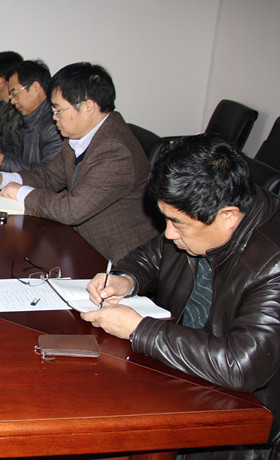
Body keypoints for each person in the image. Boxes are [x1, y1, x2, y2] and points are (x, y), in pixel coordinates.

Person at [82, 134, 280, 458]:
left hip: (237, 411)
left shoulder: (273, 262)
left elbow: (241, 364)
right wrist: (124, 279)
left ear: (229, 216)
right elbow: (153, 255)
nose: (169, 233)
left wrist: (139, 329)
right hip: (175, 366)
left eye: (178, 224)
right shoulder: (203, 210)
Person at [0, 62, 158, 262]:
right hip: (79, 243)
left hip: (114, 259)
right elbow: (50, 176)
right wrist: (4, 179)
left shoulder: (114, 149)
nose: (54, 117)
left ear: (88, 107)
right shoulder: (81, 136)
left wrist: (21, 192)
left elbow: (72, 210)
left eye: (59, 110)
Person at [0, 60, 62, 172]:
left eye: (15, 93)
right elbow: (19, 154)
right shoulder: (31, 119)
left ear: (36, 88)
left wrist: (3, 162)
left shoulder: (55, 125)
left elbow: (48, 174)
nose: (13, 101)